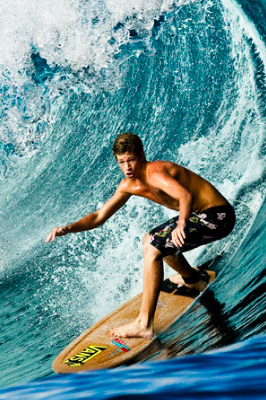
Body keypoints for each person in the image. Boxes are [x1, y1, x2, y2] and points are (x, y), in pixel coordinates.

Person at [45, 132, 236, 339]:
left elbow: (185, 195)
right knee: (149, 240)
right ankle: (192, 280)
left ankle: (144, 324)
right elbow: (99, 217)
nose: (127, 167)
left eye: (131, 160)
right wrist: (67, 228)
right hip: (199, 215)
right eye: (121, 162)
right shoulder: (128, 185)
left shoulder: (155, 173)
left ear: (142, 155)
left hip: (218, 216)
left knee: (152, 249)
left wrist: (181, 224)